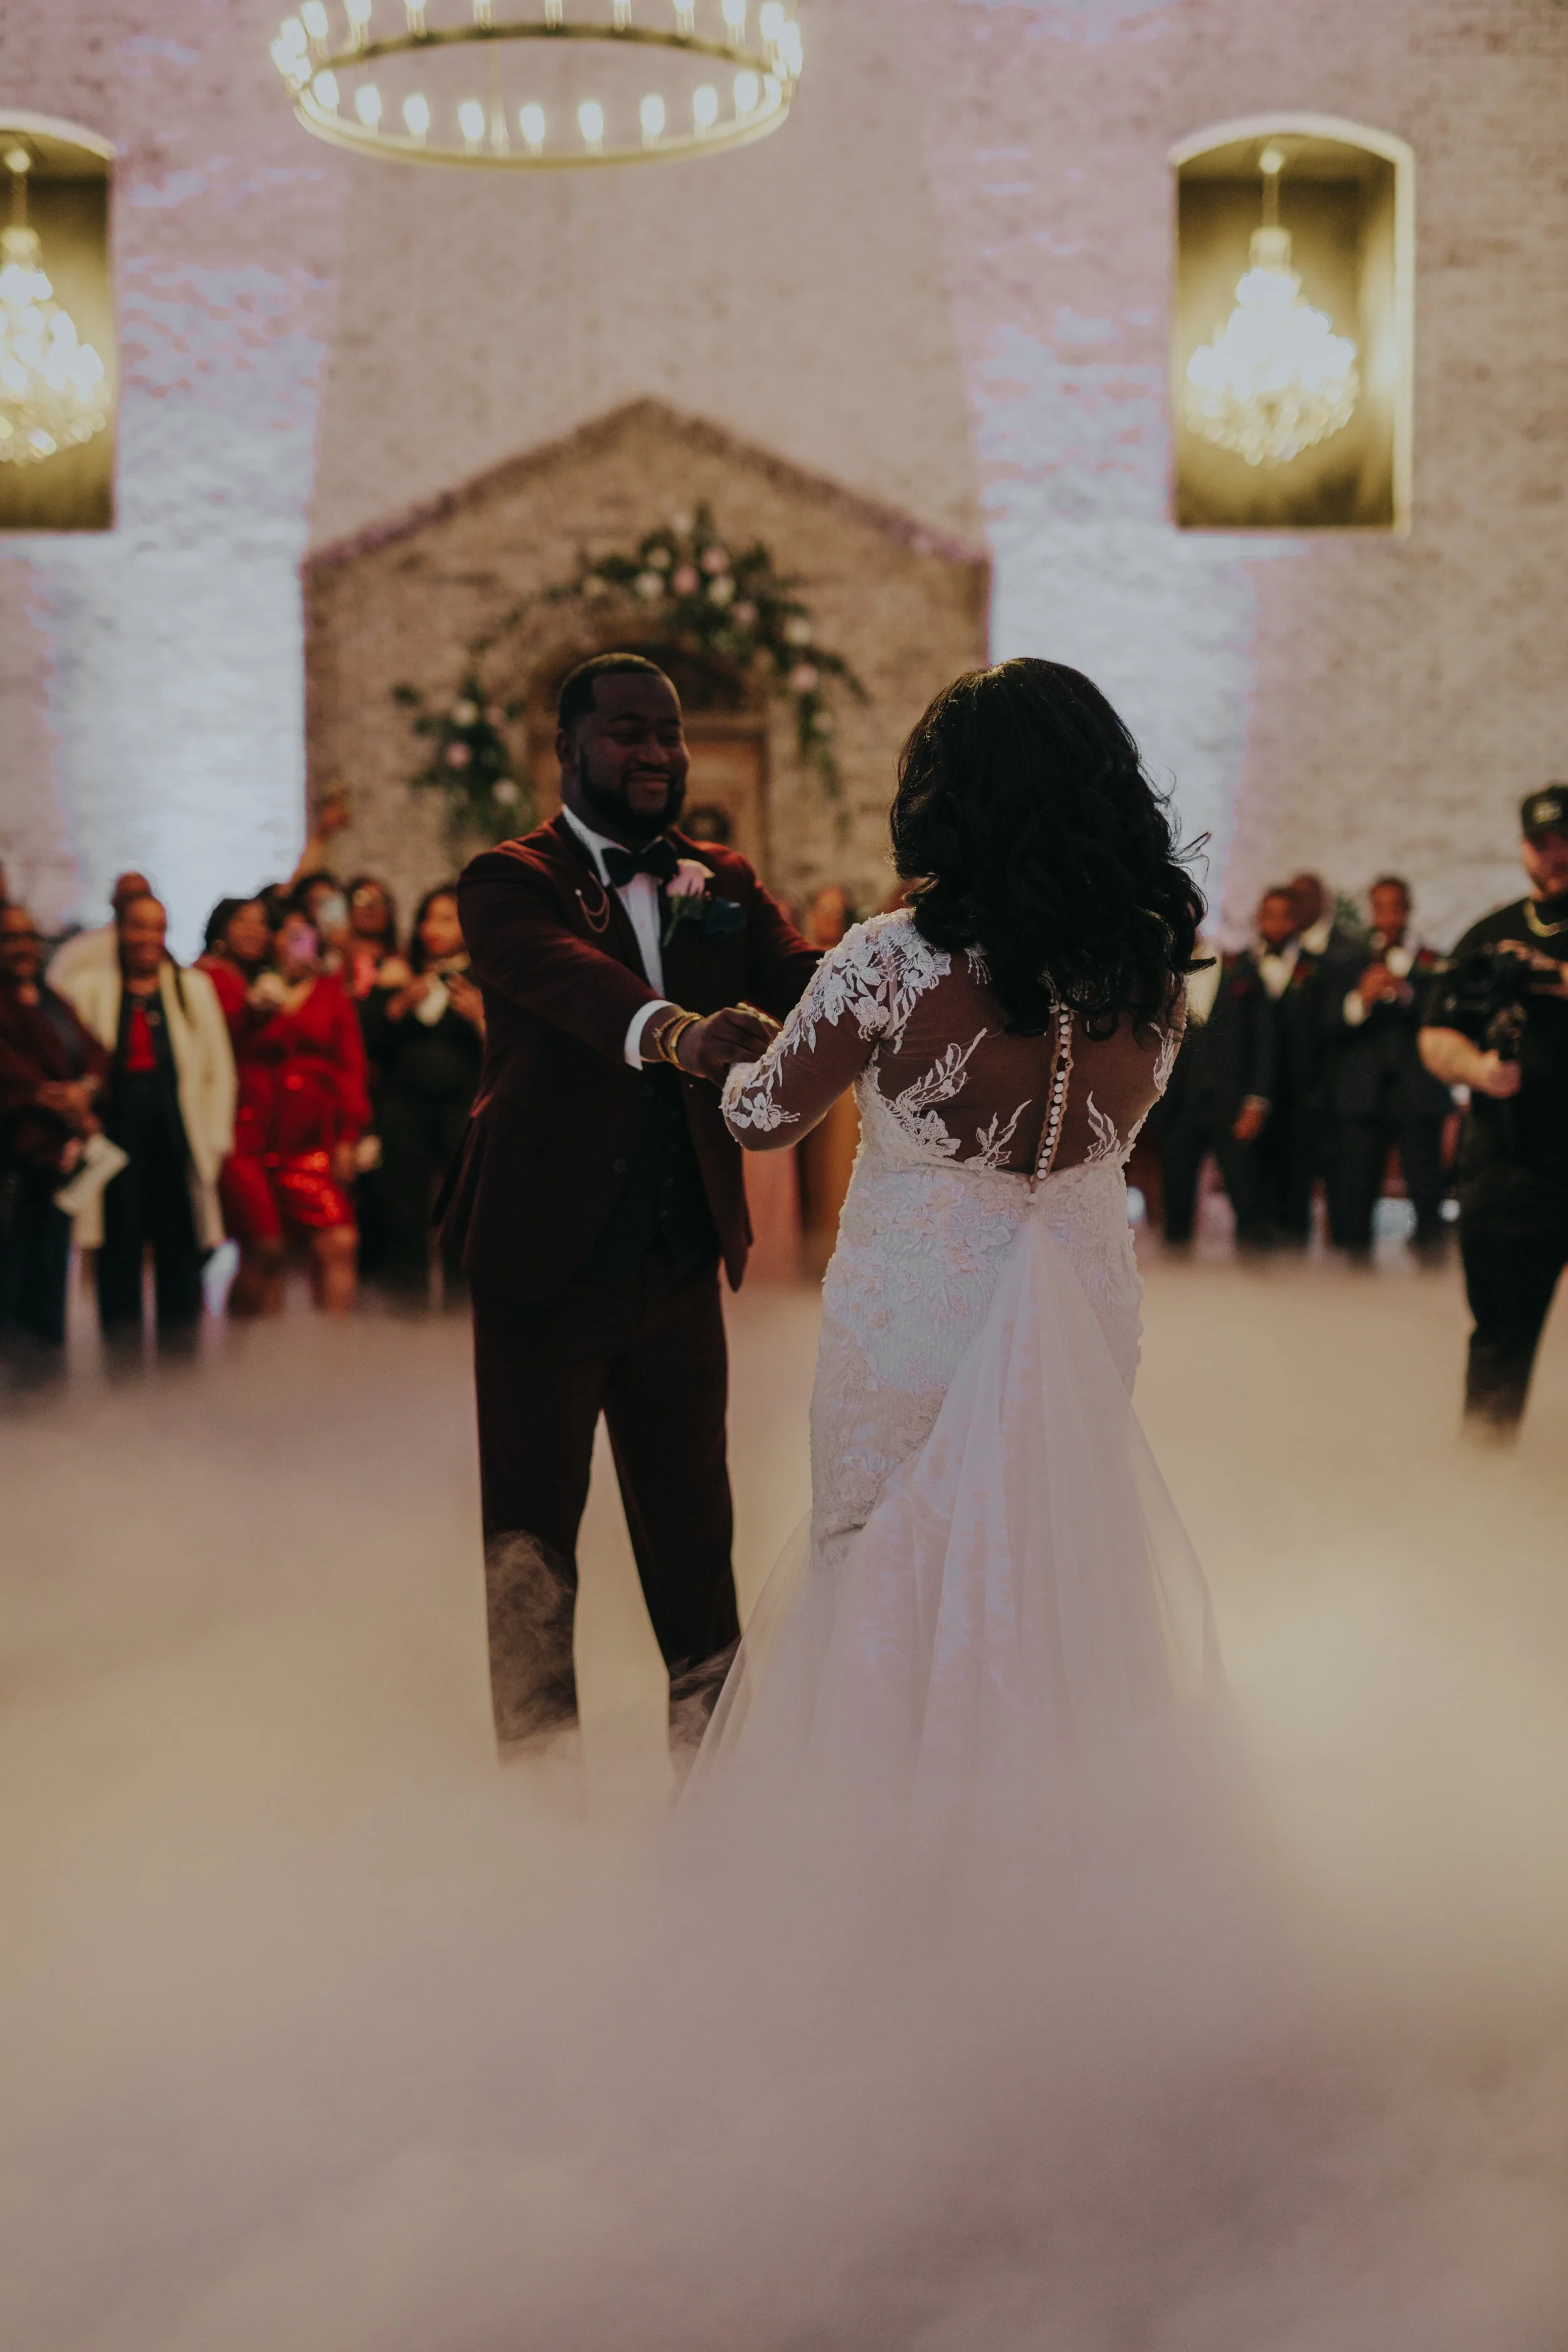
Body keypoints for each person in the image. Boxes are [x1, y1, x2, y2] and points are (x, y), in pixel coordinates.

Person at [704, 657, 1216, 1809]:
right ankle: (1050, 1829)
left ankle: (889, 1839)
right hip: (1083, 1296)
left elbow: (762, 1118)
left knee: (890, 1557)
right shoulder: (1153, 971)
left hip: (921, 1315)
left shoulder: (890, 958)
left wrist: (736, 1053)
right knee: (1047, 1559)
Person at [447, 650, 820, 1755]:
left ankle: (712, 1781)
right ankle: (542, 1797)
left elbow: (809, 983)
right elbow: (567, 977)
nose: (656, 751)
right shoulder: (507, 879)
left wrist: (918, 964)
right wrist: (677, 1034)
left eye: (670, 731)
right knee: (530, 1550)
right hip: (540, 1262)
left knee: (698, 1542)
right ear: (568, 748)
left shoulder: (722, 878)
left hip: (678, 1260)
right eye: (628, 731)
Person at [1419, 786, 1568, 1434]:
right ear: (1524, 849)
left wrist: (1549, 976)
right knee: (1500, 1334)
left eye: (1565, 840)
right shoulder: (1489, 935)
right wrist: (1479, 1069)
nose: (1555, 854)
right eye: (1542, 843)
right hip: (1510, 1162)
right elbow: (1435, 1036)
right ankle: (1485, 1467)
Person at [57, 894, 235, 1344]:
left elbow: (218, 1070)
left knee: (180, 1245)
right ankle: (121, 1356)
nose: (147, 938)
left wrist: (214, 1140)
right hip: (117, 1133)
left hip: (176, 1132)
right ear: (120, 929)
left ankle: (181, 1354)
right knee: (119, 1247)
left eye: (157, 927)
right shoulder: (90, 989)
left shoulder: (192, 989)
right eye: (138, 926)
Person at [206, 903, 371, 1316]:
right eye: (286, 933)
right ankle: (257, 1348)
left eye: (306, 935)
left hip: (312, 1136)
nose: (297, 944)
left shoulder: (330, 991)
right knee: (267, 1250)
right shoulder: (250, 986)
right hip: (255, 1133)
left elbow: (352, 1067)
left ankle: (336, 1348)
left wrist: (349, 1135)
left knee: (338, 1240)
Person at [359, 884, 484, 1301]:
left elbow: (512, 1050)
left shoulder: (486, 977)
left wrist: (480, 1017)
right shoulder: (397, 973)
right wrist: (396, 1006)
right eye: (429, 918)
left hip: (463, 1106)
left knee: (462, 1206)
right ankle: (404, 1300)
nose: (434, 929)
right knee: (403, 1204)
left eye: (447, 919)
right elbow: (366, 1041)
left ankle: (460, 1302)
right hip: (402, 1107)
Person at [1322, 876, 1451, 1256]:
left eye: (1396, 906)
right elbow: (1328, 1024)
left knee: (1426, 1184)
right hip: (1363, 1093)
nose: (1389, 916)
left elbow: (1447, 1018)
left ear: (1408, 909)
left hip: (1417, 1091)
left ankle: (1430, 1255)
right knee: (1356, 1186)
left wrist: (1409, 994)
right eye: (1381, 907)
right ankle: (1354, 1264)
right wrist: (1360, 1000)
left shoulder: (1432, 962)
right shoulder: (1348, 963)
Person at [0, 902, 109, 1348]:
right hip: (14, 1158)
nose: (23, 947)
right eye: (10, 938)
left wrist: (85, 1090)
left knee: (49, 1271)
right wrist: (52, 1097)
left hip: (57, 1159)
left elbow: (96, 1054)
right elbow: (12, 1074)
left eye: (30, 937)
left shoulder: (53, 1001)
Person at [1156, 930, 1275, 1250]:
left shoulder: (1242, 970)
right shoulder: (1159, 974)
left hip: (1232, 1105)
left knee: (1248, 1204)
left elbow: (1263, 1041)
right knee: (1175, 1211)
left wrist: (1257, 1101)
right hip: (1177, 1106)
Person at [1252, 883, 1325, 1245]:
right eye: (1270, 915)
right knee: (1255, 1172)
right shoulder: (1243, 967)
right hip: (1254, 1089)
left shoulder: (1317, 968)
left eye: (1286, 916)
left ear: (1298, 920)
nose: (1278, 924)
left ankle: (1297, 1241)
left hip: (1302, 1089)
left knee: (1298, 1169)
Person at [45, 870, 154, 992]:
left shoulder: (159, 956)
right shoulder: (83, 949)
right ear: (114, 902)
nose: (135, 905)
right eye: (129, 898)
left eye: (141, 897)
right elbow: (55, 986)